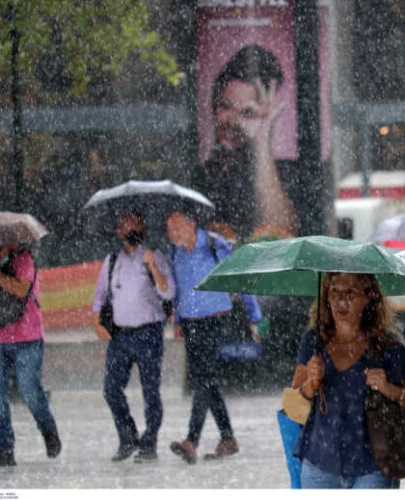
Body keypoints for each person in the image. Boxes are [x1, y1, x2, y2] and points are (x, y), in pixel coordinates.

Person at [292, 272, 405, 489]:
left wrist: (388, 389)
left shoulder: (387, 345)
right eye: (334, 292)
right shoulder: (313, 342)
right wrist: (310, 384)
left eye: (351, 292)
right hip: (319, 465)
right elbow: (292, 408)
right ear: (326, 297)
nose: (341, 300)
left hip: (373, 466)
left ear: (368, 296)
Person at [166, 210, 262, 464]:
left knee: (203, 379)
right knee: (206, 381)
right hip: (190, 322)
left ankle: (191, 440)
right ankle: (227, 438)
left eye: (178, 228)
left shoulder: (213, 244)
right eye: (170, 229)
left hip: (214, 319)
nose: (174, 234)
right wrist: (178, 320)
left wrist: (254, 315)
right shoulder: (175, 251)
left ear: (192, 225)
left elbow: (239, 277)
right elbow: (179, 289)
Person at [92, 211, 175, 463]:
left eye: (137, 225)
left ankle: (149, 443)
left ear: (144, 229)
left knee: (151, 391)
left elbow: (168, 292)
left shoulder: (154, 256)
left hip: (149, 333)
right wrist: (96, 321)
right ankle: (128, 437)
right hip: (120, 335)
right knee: (111, 389)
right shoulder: (112, 260)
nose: (132, 230)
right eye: (127, 226)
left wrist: (153, 266)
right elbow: (100, 296)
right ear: (119, 232)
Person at [193, 44, 298, 242]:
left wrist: (262, 139)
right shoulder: (203, 173)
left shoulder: (282, 173)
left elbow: (282, 234)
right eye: (226, 106)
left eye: (247, 113)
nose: (233, 121)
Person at [0, 244, 61, 467]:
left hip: (27, 338)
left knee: (29, 391)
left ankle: (48, 428)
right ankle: (4, 448)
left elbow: (21, 289)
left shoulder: (24, 260)